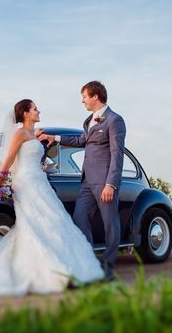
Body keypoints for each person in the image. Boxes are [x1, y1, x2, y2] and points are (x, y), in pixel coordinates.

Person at [0, 99, 105, 298]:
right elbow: (9, 160)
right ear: (26, 113)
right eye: (35, 109)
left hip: (40, 181)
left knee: (53, 223)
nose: (39, 111)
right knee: (34, 224)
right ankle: (46, 269)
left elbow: (37, 153)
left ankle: (62, 267)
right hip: (26, 183)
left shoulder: (33, 135)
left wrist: (41, 137)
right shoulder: (19, 134)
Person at [37, 80, 124, 280]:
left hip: (104, 182)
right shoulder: (89, 121)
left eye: (84, 96)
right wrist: (55, 138)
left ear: (95, 96)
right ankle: (89, 261)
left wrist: (111, 183)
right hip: (86, 181)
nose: (82, 100)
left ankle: (108, 266)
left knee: (110, 223)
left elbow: (117, 154)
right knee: (79, 218)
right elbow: (81, 141)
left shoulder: (114, 120)